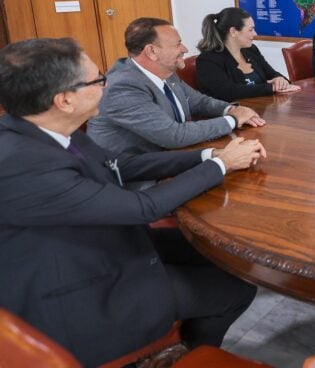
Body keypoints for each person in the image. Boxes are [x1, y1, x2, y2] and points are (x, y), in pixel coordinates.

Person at [0, 38, 266, 366]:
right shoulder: (22, 164)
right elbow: (141, 208)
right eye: (97, 78)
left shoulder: (42, 128)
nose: (107, 83)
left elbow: (120, 165)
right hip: (81, 294)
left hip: (94, 245)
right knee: (236, 288)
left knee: (221, 254)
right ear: (65, 100)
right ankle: (184, 357)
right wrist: (221, 166)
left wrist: (209, 155)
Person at [88, 17, 265, 157]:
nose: (185, 49)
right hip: (137, 179)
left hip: (174, 157)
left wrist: (231, 110)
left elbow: (198, 101)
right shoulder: (122, 87)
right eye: (178, 44)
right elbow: (173, 135)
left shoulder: (166, 72)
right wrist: (233, 120)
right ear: (152, 52)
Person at [196, 7, 299, 101]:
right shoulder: (208, 60)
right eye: (250, 30)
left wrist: (280, 80)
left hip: (259, 112)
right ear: (233, 32)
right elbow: (229, 92)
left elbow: (273, 74)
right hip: (232, 117)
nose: (255, 34)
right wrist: (271, 87)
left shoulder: (251, 50)